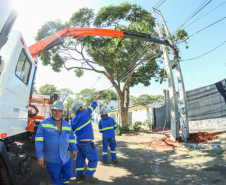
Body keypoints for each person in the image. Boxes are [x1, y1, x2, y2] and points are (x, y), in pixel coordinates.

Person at [35, 100, 77, 185]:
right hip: (52, 159)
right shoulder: (43, 124)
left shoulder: (67, 125)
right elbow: (39, 140)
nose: (57, 113)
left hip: (65, 158)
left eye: (60, 111)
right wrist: (40, 155)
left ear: (62, 112)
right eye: (55, 110)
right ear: (51, 111)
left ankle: (64, 182)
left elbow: (71, 138)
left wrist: (74, 149)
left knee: (69, 174)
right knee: (56, 178)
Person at [71, 94, 101, 183]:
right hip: (87, 143)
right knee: (94, 159)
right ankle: (89, 175)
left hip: (78, 143)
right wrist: (96, 98)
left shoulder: (73, 119)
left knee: (80, 159)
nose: (83, 107)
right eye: (82, 106)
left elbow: (71, 133)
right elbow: (93, 106)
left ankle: (79, 175)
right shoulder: (85, 113)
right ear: (80, 109)